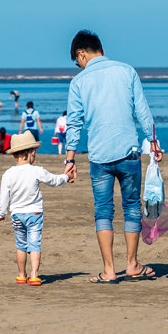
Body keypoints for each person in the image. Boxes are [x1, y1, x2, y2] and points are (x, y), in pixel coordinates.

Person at [61, 30, 160, 285]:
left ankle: (109, 270)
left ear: (81, 54)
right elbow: (142, 111)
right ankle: (132, 264)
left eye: (77, 60)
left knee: (103, 211)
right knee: (131, 208)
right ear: (101, 50)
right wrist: (153, 141)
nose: (79, 65)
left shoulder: (79, 82)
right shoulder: (126, 70)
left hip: (99, 156)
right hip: (129, 152)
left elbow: (74, 123)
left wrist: (69, 160)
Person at [0, 131, 69, 286]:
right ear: (30, 152)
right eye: (34, 152)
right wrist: (67, 177)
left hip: (17, 214)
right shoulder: (36, 170)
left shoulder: (8, 174)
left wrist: (1, 213)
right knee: (34, 244)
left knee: (20, 245)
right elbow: (54, 181)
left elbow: (4, 197)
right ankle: (34, 275)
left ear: (15, 154)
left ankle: (22, 274)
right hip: (35, 213)